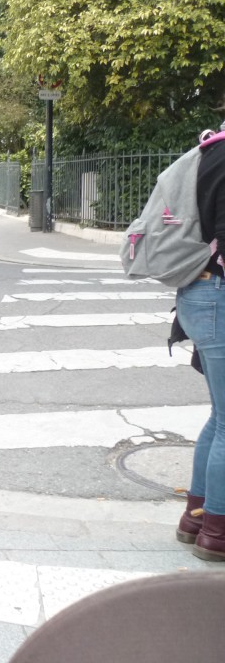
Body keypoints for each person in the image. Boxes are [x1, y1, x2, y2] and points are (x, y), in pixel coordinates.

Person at [175, 127, 225, 561]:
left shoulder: (210, 151)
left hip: (199, 292)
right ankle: (217, 531)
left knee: (221, 416)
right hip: (217, 296)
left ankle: (197, 517)